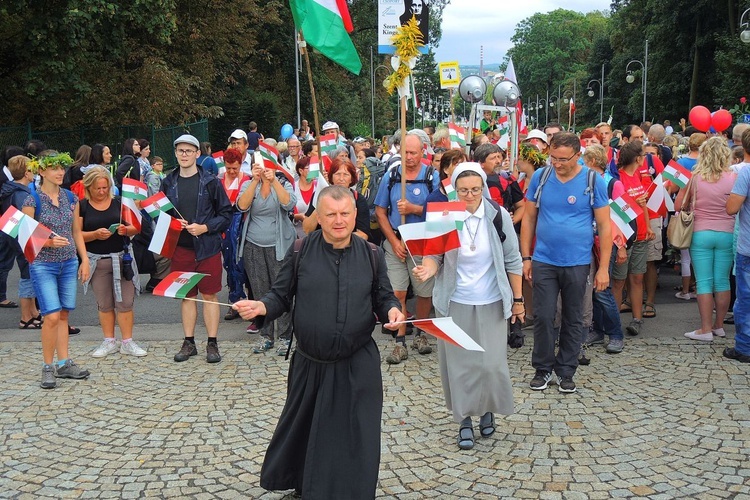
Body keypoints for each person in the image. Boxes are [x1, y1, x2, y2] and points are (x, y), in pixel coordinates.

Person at [233, 185, 403, 499]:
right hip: (311, 363)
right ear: (319, 218)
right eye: (331, 215)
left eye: (345, 214)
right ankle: (306, 486)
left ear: (354, 215)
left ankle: (350, 491)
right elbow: (280, 295)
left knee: (355, 432)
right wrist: (261, 307)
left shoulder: (372, 254)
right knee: (305, 426)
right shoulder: (300, 250)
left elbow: (384, 297)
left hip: (356, 362)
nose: (339, 221)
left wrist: (393, 310)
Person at [413, 163, 523, 450]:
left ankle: (487, 409)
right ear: (455, 190)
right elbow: (433, 253)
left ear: (483, 188)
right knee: (461, 366)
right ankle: (464, 420)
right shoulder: (445, 216)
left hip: (492, 300)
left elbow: (513, 260)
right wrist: (427, 268)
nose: (469, 195)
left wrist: (519, 300)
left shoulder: (498, 216)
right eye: (463, 190)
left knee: (490, 364)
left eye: (475, 189)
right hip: (456, 301)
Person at [520, 132, 611, 393]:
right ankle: (543, 368)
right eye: (553, 158)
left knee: (573, 318)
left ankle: (566, 370)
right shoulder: (541, 177)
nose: (557, 163)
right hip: (544, 259)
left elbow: (605, 226)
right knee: (544, 315)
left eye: (563, 159)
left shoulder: (593, 180)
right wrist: (526, 257)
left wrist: (603, 268)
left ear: (578, 155)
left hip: (577, 261)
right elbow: (529, 219)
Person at [22, 152, 91, 389]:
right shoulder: (32, 200)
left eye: (62, 168)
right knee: (51, 315)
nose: (60, 172)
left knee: (63, 315)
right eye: (54, 168)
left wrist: (84, 260)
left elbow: (76, 232)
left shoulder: (71, 198)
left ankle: (64, 363)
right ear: (41, 171)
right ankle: (47, 367)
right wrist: (48, 242)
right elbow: (25, 237)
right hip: (43, 264)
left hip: (69, 262)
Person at [163, 135, 232, 364]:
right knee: (187, 296)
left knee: (210, 295)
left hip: (208, 247)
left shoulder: (211, 181)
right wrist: (173, 224)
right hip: (181, 248)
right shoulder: (168, 181)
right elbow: (161, 215)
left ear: (197, 154)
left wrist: (205, 227)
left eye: (188, 151)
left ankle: (212, 343)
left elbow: (226, 215)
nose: (184, 154)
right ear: (175, 153)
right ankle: (189, 342)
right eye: (180, 150)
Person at [374, 132, 440, 363]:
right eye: (405, 152)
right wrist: (393, 240)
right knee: (398, 292)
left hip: (423, 244)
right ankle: (400, 340)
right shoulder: (391, 176)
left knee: (424, 292)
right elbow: (381, 211)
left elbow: (442, 212)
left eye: (413, 152)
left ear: (422, 151)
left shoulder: (433, 176)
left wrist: (414, 209)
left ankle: (421, 333)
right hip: (397, 243)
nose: (409, 157)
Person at [79, 167, 146, 357]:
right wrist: (94, 235)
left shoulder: (119, 203)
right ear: (89, 188)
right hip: (97, 261)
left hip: (121, 258)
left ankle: (127, 341)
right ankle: (109, 340)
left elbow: (136, 227)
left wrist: (126, 230)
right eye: (97, 188)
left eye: (105, 187)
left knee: (125, 303)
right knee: (105, 304)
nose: (101, 192)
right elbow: (77, 234)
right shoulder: (82, 206)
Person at [236, 149, 297, 356]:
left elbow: (289, 203)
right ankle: (266, 335)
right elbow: (242, 206)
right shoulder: (248, 183)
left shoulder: (284, 182)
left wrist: (274, 181)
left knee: (282, 291)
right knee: (260, 291)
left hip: (280, 245)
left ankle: (285, 336)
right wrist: (255, 181)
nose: (261, 168)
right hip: (254, 245)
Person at [675, 137, 736, 341]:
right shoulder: (734, 177)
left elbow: (679, 205)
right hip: (727, 232)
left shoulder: (695, 177)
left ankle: (705, 329)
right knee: (722, 281)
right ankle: (719, 325)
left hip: (700, 232)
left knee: (703, 282)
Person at [582, 144, 627, 354]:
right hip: (587, 241)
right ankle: (598, 330)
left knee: (602, 290)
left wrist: (621, 247)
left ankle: (616, 334)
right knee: (592, 290)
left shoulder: (612, 184)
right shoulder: (584, 181)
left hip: (606, 241)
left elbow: (623, 219)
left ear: (591, 161)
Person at [611, 141, 652, 337]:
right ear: (637, 158)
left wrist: (649, 227)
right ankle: (613, 322)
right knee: (618, 281)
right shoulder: (617, 178)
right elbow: (615, 210)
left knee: (637, 277)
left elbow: (643, 203)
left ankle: (637, 320)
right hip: (624, 236)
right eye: (643, 155)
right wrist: (634, 202)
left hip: (641, 234)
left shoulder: (636, 175)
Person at [0, 155, 41, 328]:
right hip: (23, 240)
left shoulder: (9, 190)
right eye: (32, 169)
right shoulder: (21, 194)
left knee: (28, 275)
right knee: (28, 276)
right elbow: (25, 221)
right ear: (26, 173)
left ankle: (32, 312)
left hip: (13, 237)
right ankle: (26, 316)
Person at [216, 148, 251, 320]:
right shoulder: (218, 180)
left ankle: (249, 300)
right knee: (229, 263)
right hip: (224, 227)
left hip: (242, 226)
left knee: (243, 264)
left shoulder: (247, 179)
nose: (231, 171)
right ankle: (234, 300)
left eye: (234, 168)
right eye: (228, 168)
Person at [725, 130, 750, 363]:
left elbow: (732, 207)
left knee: (745, 299)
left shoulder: (746, 173)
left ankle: (744, 347)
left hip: (748, 246)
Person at [303, 158, 371, 241]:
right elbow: (307, 230)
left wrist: (335, 239)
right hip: (321, 249)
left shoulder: (358, 199)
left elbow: (363, 235)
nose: (341, 178)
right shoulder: (319, 195)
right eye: (337, 174)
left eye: (346, 174)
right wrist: (321, 204)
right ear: (331, 176)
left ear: (352, 179)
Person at [291, 156, 315, 239]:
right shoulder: (292, 188)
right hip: (297, 235)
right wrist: (298, 216)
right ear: (300, 171)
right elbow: (287, 213)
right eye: (310, 168)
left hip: (315, 234)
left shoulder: (319, 186)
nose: (313, 171)